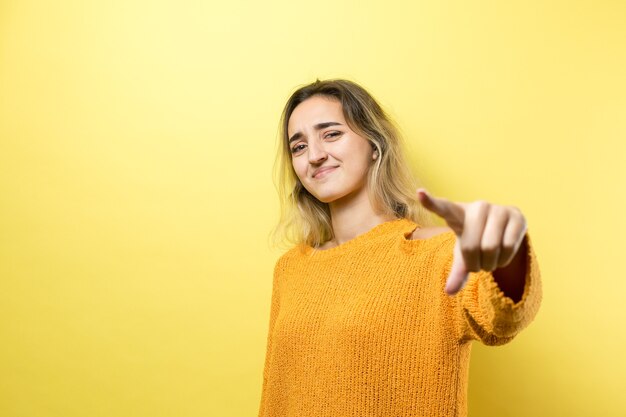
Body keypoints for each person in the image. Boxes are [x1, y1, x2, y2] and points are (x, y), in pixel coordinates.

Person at [258, 78, 542, 417]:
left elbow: (503, 319)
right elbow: (277, 396)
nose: (315, 155)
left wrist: (504, 248)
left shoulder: (438, 253)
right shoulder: (291, 268)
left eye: (331, 134)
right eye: (299, 146)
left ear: (374, 145)